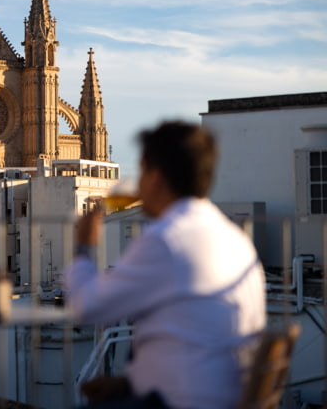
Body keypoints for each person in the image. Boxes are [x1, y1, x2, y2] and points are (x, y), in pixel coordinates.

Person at [66, 121, 266, 409]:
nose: (139, 182)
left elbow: (86, 308)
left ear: (156, 177)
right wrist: (127, 383)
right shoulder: (236, 239)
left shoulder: (167, 239)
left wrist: (83, 247)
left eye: (142, 171)